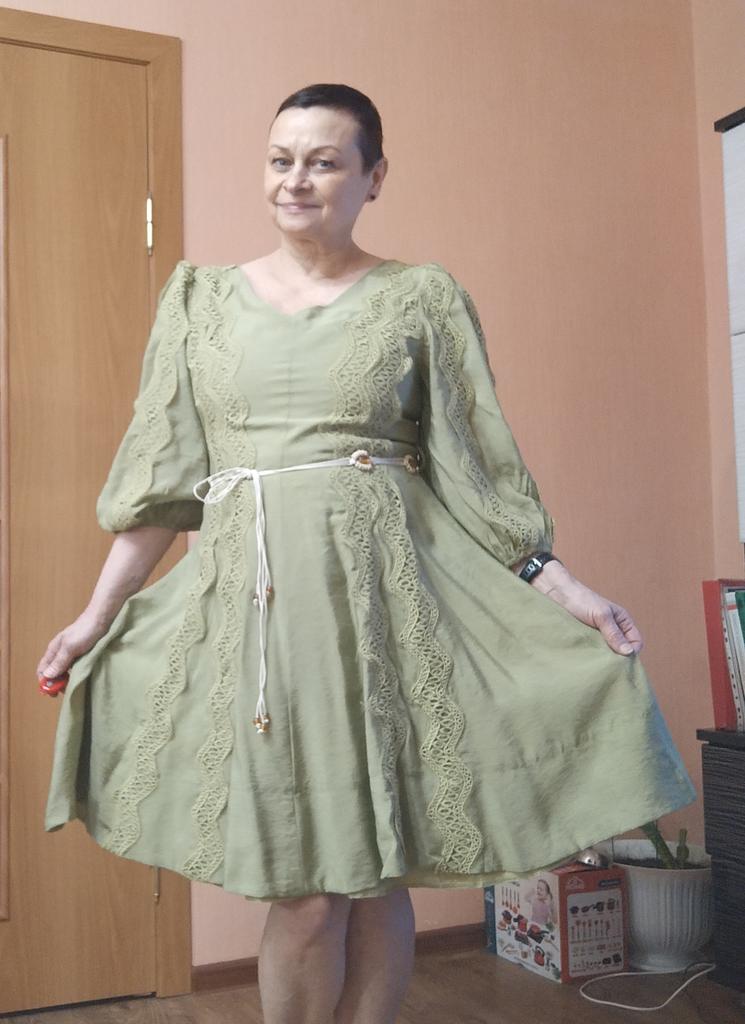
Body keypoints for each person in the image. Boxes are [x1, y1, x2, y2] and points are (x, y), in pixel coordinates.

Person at [39, 83, 696, 1024]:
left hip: (385, 603)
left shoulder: (420, 298)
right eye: (280, 160)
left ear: (373, 176)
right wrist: (92, 618)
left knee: (378, 871)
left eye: (323, 162)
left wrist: (562, 588)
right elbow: (162, 487)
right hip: (259, 620)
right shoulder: (197, 302)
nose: (295, 180)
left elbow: (474, 470)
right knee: (307, 890)